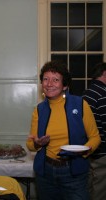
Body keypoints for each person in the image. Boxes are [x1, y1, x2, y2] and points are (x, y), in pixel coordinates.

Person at [26, 60, 101, 200]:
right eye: (46, 79)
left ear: (64, 85)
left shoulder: (80, 105)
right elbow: (30, 144)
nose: (49, 84)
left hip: (74, 172)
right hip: (46, 173)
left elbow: (95, 137)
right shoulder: (39, 110)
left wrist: (84, 151)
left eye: (55, 80)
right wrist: (37, 143)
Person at [83, 62, 106, 200]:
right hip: (103, 151)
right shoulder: (103, 94)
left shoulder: (86, 93)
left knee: (91, 187)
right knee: (100, 192)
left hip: (89, 149)